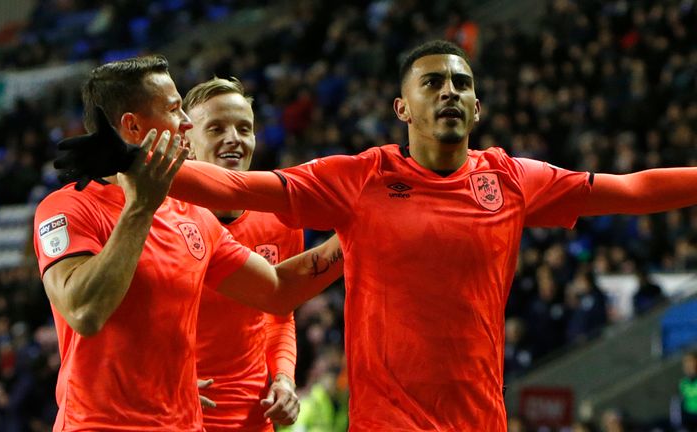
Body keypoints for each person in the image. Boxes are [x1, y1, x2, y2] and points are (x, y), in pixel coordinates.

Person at [54, 40, 697, 431]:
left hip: (480, 419)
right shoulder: (358, 181)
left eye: (462, 85)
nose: (450, 92)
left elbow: (632, 189)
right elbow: (239, 189)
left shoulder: (513, 179)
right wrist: (131, 161)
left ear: (477, 108)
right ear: (402, 107)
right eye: (434, 82)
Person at [35, 55, 343, 431]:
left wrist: (356, 231)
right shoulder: (67, 208)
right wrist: (140, 209)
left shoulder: (192, 216)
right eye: (175, 109)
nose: (185, 123)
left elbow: (277, 292)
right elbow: (85, 312)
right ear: (133, 126)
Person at [184, 77, 307, 430]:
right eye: (216, 128)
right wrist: (160, 380)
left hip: (254, 417)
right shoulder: (159, 221)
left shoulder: (280, 220)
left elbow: (279, 314)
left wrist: (283, 377)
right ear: (187, 144)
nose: (233, 138)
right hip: (175, 412)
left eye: (244, 128)